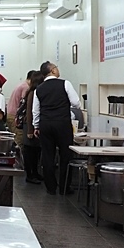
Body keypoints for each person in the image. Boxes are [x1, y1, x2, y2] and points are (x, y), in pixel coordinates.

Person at [33, 61, 81, 195]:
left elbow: (35, 111)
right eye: (56, 67)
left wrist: (36, 126)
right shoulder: (65, 83)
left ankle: (51, 188)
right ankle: (64, 187)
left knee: (48, 156)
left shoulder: (39, 89)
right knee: (66, 155)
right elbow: (76, 103)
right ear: (52, 70)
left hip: (45, 124)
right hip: (62, 123)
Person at [22, 71, 44, 184]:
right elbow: (30, 112)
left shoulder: (34, 91)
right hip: (29, 125)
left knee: (35, 151)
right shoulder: (33, 92)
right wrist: (30, 130)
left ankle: (35, 173)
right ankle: (30, 175)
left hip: (32, 125)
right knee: (30, 152)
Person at [7, 70, 36, 144]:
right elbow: (24, 104)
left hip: (10, 115)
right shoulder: (26, 87)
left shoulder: (21, 84)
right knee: (20, 140)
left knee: (17, 139)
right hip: (14, 116)